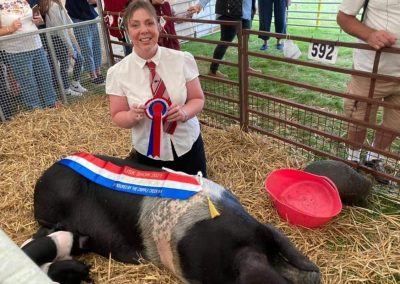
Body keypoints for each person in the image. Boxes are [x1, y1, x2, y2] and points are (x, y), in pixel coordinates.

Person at [106, 0, 207, 177]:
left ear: (159, 25)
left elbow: (198, 99)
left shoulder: (182, 60)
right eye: (135, 25)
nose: (144, 30)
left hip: (188, 145)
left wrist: (184, 112)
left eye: (149, 23)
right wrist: (130, 116)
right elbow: (117, 115)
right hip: (149, 155)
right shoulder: (117, 73)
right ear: (128, 31)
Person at [337, 0, 399, 184]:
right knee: (358, 117)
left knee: (395, 124)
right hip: (370, 69)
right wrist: (370, 34)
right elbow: (343, 17)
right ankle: (353, 159)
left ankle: (373, 158)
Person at [0, 0, 58, 110]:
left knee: (45, 76)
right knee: (28, 83)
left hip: (37, 45)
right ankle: (36, 111)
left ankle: (52, 105)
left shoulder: (23, 0)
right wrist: (10, 29)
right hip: (17, 50)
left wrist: (39, 20)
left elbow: (35, 20)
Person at [187, 0, 258, 79]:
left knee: (244, 42)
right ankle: (213, 71)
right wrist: (199, 5)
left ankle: (245, 67)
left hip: (246, 13)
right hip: (229, 12)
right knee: (225, 42)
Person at [39, 0, 87, 96]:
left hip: (63, 37)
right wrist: (69, 47)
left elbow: (67, 23)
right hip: (58, 39)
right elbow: (61, 30)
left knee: (79, 59)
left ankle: (75, 83)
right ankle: (65, 89)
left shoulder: (56, 5)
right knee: (65, 64)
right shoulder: (53, 7)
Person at [65, 0, 104, 85]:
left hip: (90, 16)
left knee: (96, 46)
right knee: (86, 48)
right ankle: (93, 76)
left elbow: (93, 2)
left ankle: (98, 72)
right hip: (79, 17)